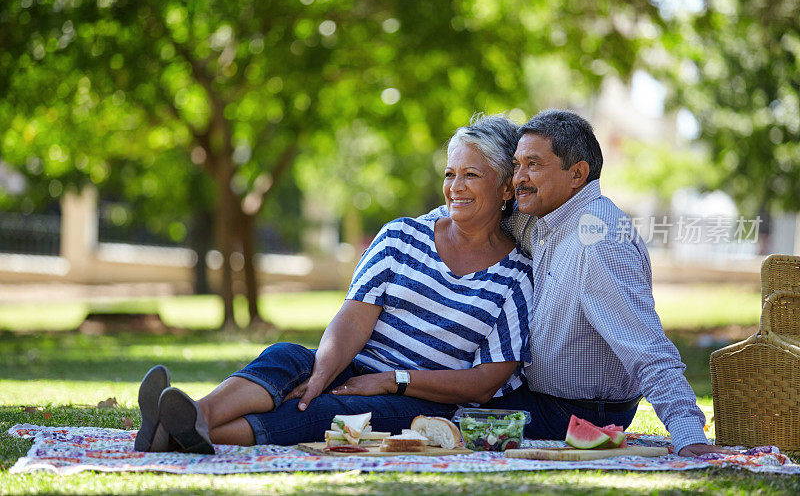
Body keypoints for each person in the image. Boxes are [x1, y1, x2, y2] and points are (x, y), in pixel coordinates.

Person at [134, 114, 535, 453]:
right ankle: (195, 416)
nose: (455, 187)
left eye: (471, 175)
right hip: (354, 366)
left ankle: (171, 435)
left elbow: (485, 383)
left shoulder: (517, 275)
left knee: (327, 413)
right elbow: (352, 321)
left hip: (421, 400)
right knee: (289, 357)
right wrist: (323, 372)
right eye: (450, 174)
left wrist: (393, 381)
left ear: (504, 188)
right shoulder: (401, 237)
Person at [426, 109, 730, 457]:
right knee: (435, 392)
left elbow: (647, 347)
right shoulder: (542, 220)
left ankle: (353, 404)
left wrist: (690, 437)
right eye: (516, 165)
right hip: (544, 398)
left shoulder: (598, 241)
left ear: (577, 174)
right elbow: (478, 210)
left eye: (534, 165)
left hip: (578, 411)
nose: (518, 178)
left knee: (431, 412)